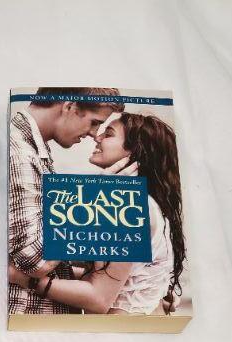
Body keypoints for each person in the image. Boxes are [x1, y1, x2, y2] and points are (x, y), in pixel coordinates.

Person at [9, 112, 185, 316]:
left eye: (108, 134)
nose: (97, 137)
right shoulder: (136, 201)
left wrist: (25, 279)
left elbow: (98, 298)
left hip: (125, 331)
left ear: (135, 151)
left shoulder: (128, 204)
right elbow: (100, 277)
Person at [8, 87, 136, 315]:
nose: (94, 134)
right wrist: (93, 197)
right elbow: (35, 260)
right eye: (94, 122)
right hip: (31, 321)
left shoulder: (33, 150)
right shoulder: (20, 153)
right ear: (69, 106)